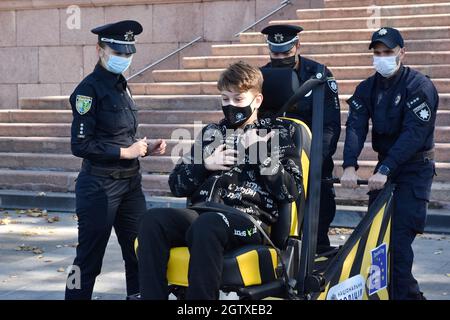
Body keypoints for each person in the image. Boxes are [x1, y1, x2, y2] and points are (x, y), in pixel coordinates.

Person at [137, 61, 303, 300]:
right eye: (225, 99)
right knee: (153, 220)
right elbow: (176, 185)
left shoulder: (278, 134)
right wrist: (204, 165)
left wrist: (261, 154)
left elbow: (291, 191)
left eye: (237, 99)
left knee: (209, 225)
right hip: (203, 212)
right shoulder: (211, 133)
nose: (230, 106)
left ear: (256, 100)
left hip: (248, 221)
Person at [65, 20, 167, 300]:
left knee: (139, 253)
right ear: (99, 49)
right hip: (99, 187)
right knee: (87, 260)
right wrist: (125, 152)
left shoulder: (123, 86)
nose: (123, 58)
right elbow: (80, 144)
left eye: (128, 53)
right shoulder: (88, 91)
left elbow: (120, 134)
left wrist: (146, 146)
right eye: (117, 52)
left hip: (130, 185)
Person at [340, 27, 438, 300]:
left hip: (413, 171)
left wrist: (384, 169)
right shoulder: (366, 88)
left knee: (397, 246)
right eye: (377, 53)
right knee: (377, 245)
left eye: (388, 52)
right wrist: (349, 165)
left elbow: (414, 134)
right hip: (384, 173)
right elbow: (356, 126)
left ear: (401, 53)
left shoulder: (419, 86)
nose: (382, 57)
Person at [260, 24, 341, 251]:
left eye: (286, 53)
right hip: (277, 163)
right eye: (275, 53)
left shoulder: (319, 75)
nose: (280, 58)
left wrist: (315, 158)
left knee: (318, 225)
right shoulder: (261, 76)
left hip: (313, 160)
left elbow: (330, 125)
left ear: (297, 46)